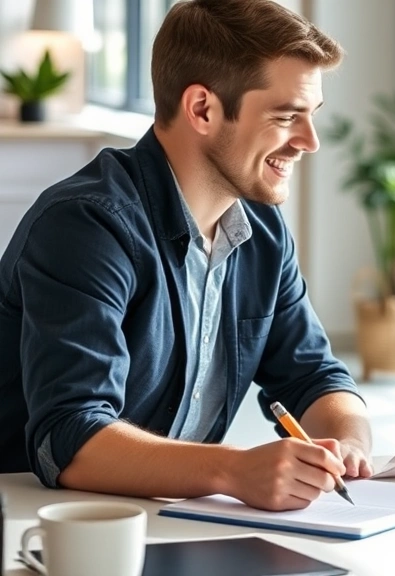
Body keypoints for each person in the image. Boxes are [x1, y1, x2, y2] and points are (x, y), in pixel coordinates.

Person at [0, 0, 372, 512]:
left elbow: (315, 377)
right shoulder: (86, 224)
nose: (309, 142)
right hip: (47, 522)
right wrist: (234, 469)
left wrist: (347, 444)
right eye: (287, 116)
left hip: (167, 514)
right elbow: (70, 437)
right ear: (202, 108)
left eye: (312, 116)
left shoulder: (260, 228)